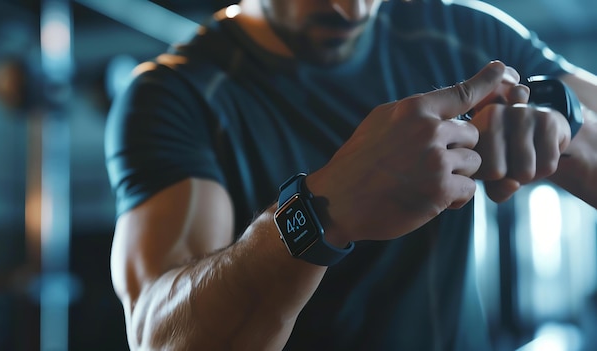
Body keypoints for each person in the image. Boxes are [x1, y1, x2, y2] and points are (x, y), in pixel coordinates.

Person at [104, 0, 597, 349]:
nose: (353, 8)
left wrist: (558, 115)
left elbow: (576, 119)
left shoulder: (459, 34)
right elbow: (161, 340)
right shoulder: (178, 95)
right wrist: (320, 212)